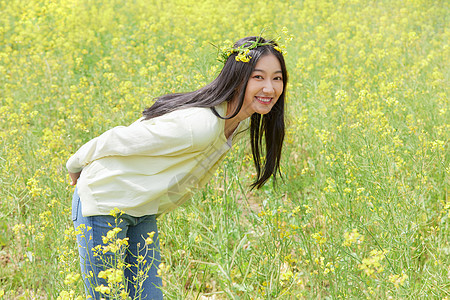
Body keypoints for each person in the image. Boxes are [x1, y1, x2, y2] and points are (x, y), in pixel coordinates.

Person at [67, 36, 288, 299]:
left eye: (277, 78)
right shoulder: (201, 124)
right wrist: (75, 163)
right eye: (258, 77)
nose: (270, 88)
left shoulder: (237, 123)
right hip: (104, 204)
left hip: (142, 209)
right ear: (237, 77)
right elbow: (123, 138)